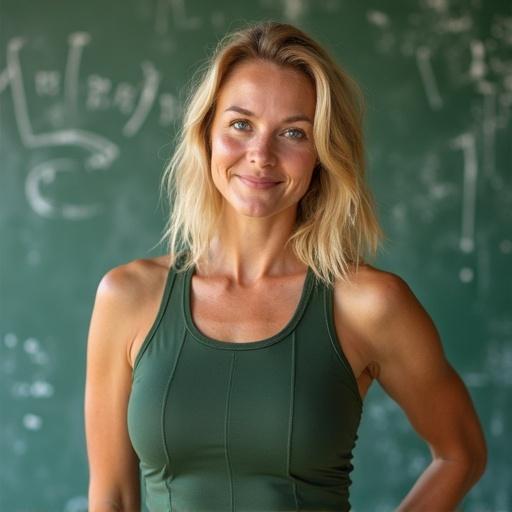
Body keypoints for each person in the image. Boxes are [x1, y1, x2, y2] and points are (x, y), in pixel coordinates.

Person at [84, 20, 487, 512]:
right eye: (240, 124)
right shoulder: (127, 297)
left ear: (321, 152)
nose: (260, 155)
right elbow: (113, 497)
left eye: (293, 133)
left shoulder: (370, 304)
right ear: (206, 133)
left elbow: (460, 454)